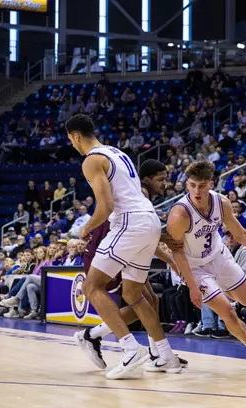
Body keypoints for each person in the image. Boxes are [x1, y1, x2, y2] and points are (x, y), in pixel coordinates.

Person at [65, 114, 178, 379]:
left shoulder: (91, 160)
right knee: (134, 294)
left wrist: (86, 227)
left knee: (91, 287)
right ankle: (166, 356)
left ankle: (130, 349)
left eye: (70, 139)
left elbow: (106, 208)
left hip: (129, 223)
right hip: (149, 220)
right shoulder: (118, 153)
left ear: (75, 136)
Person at [73, 159, 188, 372]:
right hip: (109, 247)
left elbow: (146, 236)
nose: (164, 184)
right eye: (160, 179)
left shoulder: (138, 196)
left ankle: (159, 354)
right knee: (137, 301)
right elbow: (142, 234)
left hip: (124, 244)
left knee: (149, 300)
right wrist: (169, 257)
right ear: (145, 179)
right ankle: (93, 336)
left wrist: (164, 244)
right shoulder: (141, 194)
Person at [166, 160, 246, 371]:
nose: (197, 191)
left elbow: (241, 235)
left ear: (211, 184)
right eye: (192, 185)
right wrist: (192, 286)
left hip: (219, 256)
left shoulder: (222, 203)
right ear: (187, 185)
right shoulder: (179, 214)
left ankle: (223, 292)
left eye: (202, 185)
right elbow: (177, 252)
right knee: (228, 313)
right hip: (195, 268)